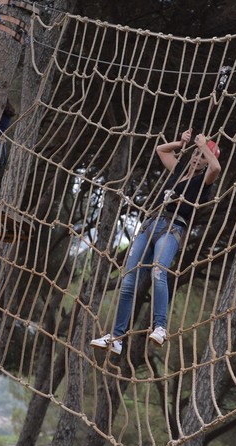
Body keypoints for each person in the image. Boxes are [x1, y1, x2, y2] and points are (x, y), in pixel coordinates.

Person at [90, 129, 222, 354]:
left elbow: (216, 168)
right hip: (150, 224)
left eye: (201, 158)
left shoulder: (203, 181)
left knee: (158, 272)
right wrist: (181, 143)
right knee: (129, 281)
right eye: (196, 155)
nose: (197, 159)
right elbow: (161, 150)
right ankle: (117, 338)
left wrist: (203, 146)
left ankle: (160, 327)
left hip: (172, 228)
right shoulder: (179, 169)